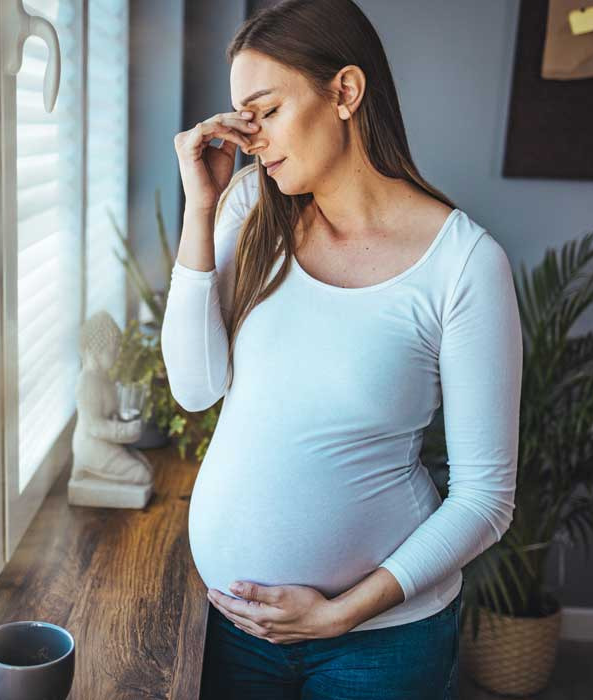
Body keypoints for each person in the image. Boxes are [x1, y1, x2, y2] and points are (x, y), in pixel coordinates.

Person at [161, 1, 523, 698]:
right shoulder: (248, 209)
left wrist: (339, 614)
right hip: (236, 626)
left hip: (380, 646)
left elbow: (485, 499)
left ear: (345, 92)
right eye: (243, 118)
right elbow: (195, 386)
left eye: (267, 111)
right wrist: (199, 210)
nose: (252, 140)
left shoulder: (464, 265)